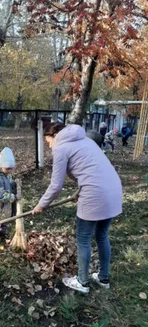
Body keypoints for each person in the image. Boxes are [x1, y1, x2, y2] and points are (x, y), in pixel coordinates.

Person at [32, 123, 123, 294]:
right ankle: (103, 278)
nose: (50, 146)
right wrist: (78, 191)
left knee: (83, 239)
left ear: (55, 135)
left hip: (95, 195)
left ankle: (82, 282)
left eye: (48, 141)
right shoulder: (85, 140)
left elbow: (56, 186)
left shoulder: (61, 148)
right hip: (114, 190)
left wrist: (41, 205)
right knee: (102, 235)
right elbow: (92, 170)